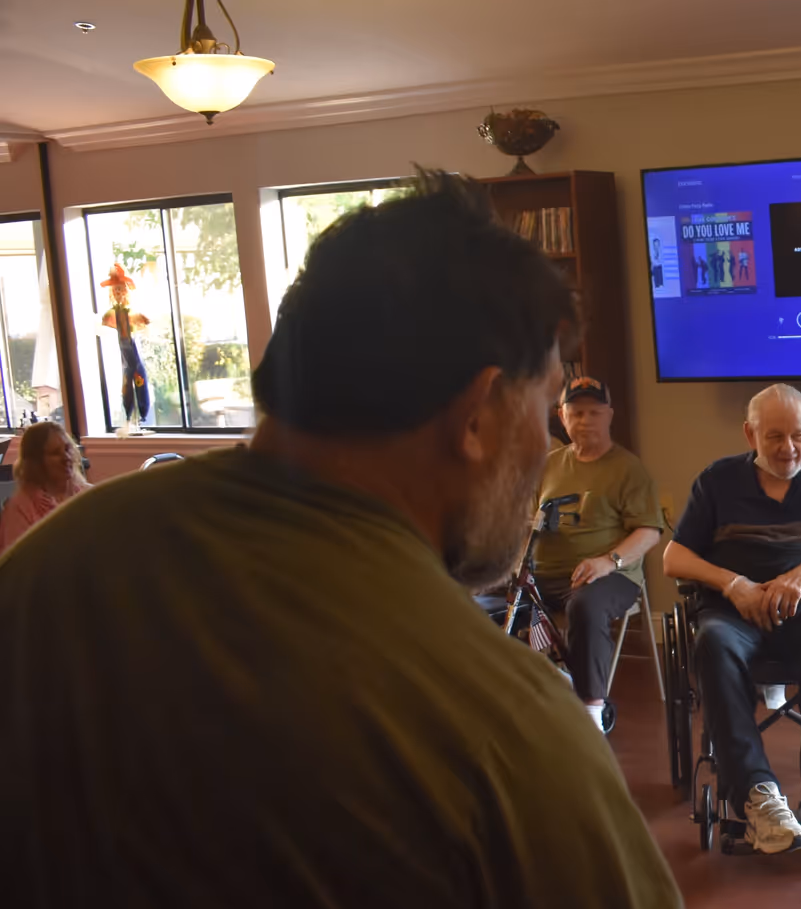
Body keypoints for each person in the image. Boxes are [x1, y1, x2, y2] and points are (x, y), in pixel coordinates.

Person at [0, 170, 681, 908]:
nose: (553, 435)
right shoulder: (507, 732)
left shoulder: (46, 566)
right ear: (479, 413)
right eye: (548, 403)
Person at [663, 383, 801, 866]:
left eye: (798, 436)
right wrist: (735, 583)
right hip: (735, 610)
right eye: (775, 437)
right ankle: (761, 800)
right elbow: (673, 557)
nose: (788, 449)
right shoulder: (717, 481)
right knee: (713, 645)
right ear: (750, 434)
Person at [532, 375, 668, 730]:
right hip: (543, 575)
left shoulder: (628, 469)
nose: (585, 421)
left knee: (586, 606)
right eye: (576, 413)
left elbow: (649, 531)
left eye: (594, 412)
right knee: (487, 607)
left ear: (609, 415)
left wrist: (608, 562)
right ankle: (540, 689)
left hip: (610, 577)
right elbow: (526, 522)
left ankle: (591, 710)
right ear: (561, 416)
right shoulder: (547, 465)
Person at [0, 421, 90, 553]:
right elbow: (19, 567)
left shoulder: (88, 494)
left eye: (67, 449)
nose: (66, 457)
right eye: (55, 453)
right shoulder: (20, 510)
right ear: (36, 462)